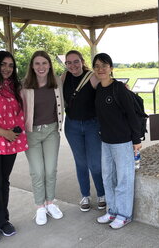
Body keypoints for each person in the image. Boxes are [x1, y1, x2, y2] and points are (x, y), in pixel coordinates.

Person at [93, 53, 142, 229]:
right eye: (97, 66)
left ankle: (124, 214)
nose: (101, 69)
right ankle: (112, 210)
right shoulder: (98, 88)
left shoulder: (119, 88)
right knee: (108, 177)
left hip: (122, 142)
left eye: (104, 66)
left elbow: (132, 114)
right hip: (105, 141)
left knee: (124, 179)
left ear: (111, 68)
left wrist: (136, 140)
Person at [21, 50, 64, 226]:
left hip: (51, 131)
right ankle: (40, 206)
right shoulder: (23, 86)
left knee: (50, 169)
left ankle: (50, 203)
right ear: (32, 66)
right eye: (37, 63)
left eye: (44, 63)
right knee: (37, 171)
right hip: (32, 133)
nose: (41, 67)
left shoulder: (57, 83)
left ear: (50, 65)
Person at [62, 50, 105, 212]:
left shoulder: (91, 76)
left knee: (95, 164)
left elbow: (108, 86)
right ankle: (85, 195)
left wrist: (121, 86)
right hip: (72, 126)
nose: (72, 65)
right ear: (66, 64)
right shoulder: (64, 77)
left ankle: (102, 194)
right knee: (80, 163)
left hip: (92, 125)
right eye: (69, 62)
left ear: (82, 61)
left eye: (75, 61)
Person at [0, 51, 28, 241]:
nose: (7, 69)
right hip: (0, 137)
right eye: (3, 64)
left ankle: (4, 220)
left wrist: (14, 132)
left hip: (9, 143)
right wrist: (4, 132)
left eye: (10, 65)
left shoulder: (14, 86)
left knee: (4, 182)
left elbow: (21, 110)